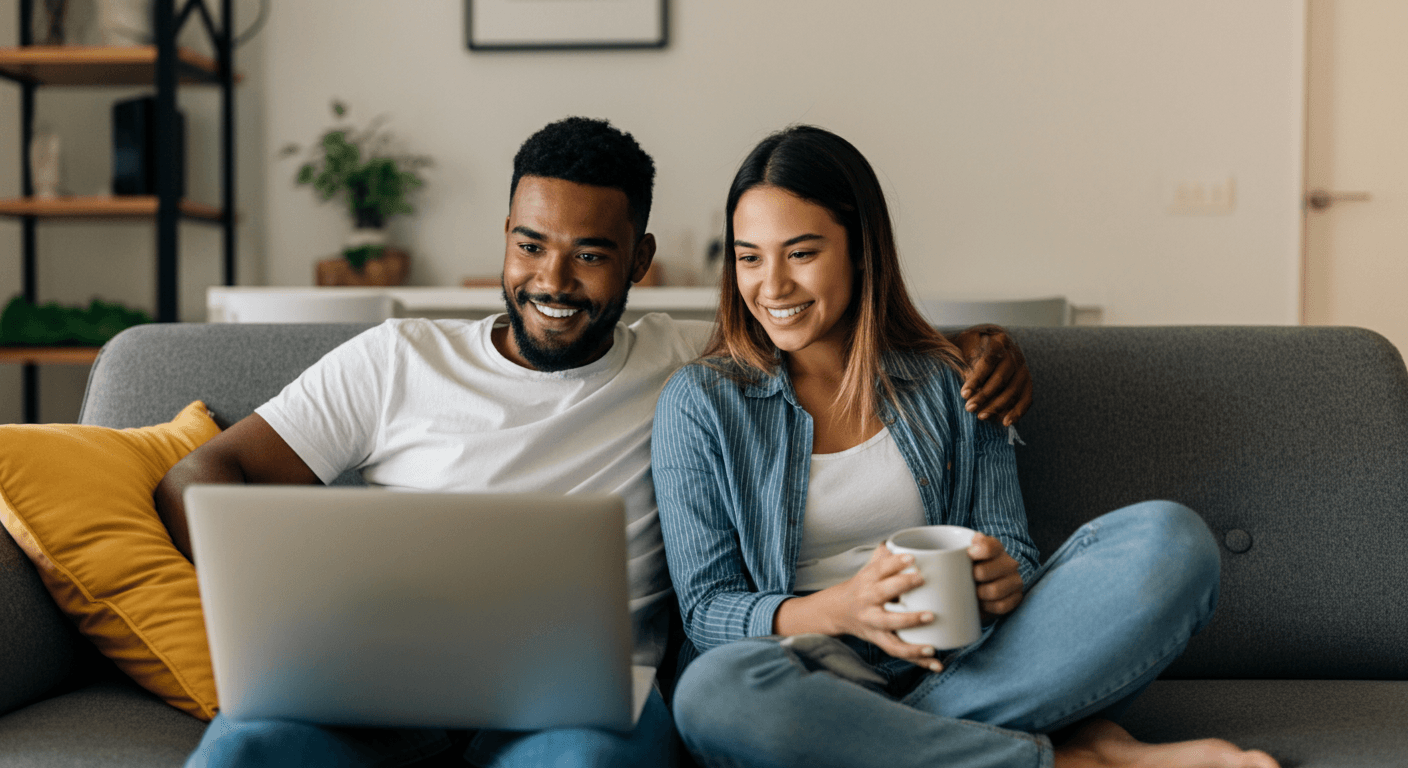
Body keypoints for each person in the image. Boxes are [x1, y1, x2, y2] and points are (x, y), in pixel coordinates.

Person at [154, 117, 1033, 768]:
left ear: (640, 260)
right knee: (240, 752)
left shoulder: (695, 366)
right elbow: (203, 473)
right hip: (368, 690)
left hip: (577, 713)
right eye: (530, 246)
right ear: (503, 238)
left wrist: (983, 348)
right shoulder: (396, 358)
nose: (552, 280)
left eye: (590, 255)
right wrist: (288, 596)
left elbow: (827, 329)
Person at [651, 125, 1280, 768]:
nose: (772, 285)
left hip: (968, 666)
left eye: (801, 253)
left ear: (861, 249)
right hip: (806, 676)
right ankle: (1067, 757)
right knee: (712, 696)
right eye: (749, 257)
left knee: (1171, 541)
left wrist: (1003, 581)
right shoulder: (701, 403)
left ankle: (895, 749)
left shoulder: (952, 381)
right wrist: (844, 608)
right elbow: (707, 611)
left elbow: (1011, 547)